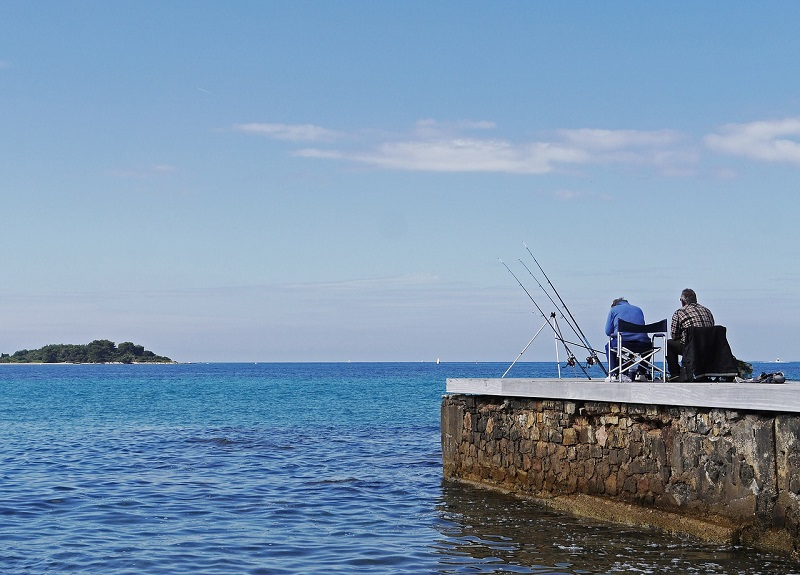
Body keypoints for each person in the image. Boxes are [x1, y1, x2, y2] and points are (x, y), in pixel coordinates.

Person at [667, 288, 715, 380]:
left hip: (690, 348)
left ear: (683, 301)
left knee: (669, 344)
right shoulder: (707, 311)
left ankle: (675, 374)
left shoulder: (680, 312)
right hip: (708, 347)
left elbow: (674, 335)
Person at [604, 297, 650, 380]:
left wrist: (615, 333)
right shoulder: (638, 309)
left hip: (623, 343)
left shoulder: (614, 310)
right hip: (643, 345)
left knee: (609, 347)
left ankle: (613, 374)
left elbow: (607, 332)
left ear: (614, 305)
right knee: (648, 346)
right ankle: (641, 373)